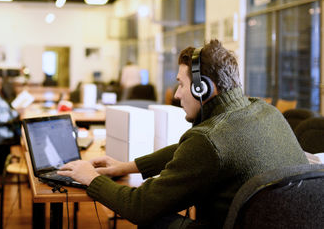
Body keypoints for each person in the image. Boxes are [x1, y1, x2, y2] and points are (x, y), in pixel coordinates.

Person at [58, 39, 308, 228]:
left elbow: (139, 206)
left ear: (202, 88)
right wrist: (125, 167)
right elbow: (187, 151)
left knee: (153, 218)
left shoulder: (210, 140)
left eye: (181, 84)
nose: (177, 95)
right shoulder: (265, 110)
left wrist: (91, 178)